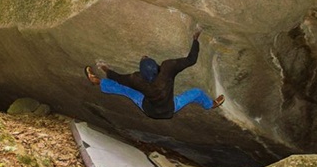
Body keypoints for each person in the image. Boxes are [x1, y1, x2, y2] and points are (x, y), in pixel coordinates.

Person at [84, 26, 225, 119]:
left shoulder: (137, 80)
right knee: (197, 93)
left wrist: (105, 68)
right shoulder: (167, 70)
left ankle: (98, 82)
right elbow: (191, 60)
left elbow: (119, 78)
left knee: (123, 89)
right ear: (157, 67)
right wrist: (195, 39)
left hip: (148, 109)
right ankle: (210, 104)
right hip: (170, 108)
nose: (144, 56)